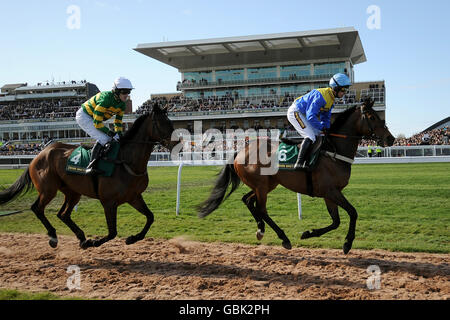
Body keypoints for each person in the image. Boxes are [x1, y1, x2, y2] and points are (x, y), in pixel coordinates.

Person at [287, 73, 352, 170]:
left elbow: (325, 117)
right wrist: (322, 128)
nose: (344, 93)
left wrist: (327, 129)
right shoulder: (321, 95)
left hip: (304, 114)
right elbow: (311, 116)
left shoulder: (331, 99)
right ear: (336, 88)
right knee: (310, 136)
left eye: (346, 90)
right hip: (295, 112)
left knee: (321, 135)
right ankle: (299, 163)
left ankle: (313, 161)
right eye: (343, 90)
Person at [75, 77, 133, 174]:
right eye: (124, 92)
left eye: (128, 92)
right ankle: (91, 166)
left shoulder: (122, 104)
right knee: (104, 139)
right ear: (116, 91)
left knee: (113, 139)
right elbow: (97, 123)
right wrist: (111, 133)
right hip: (84, 116)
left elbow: (118, 122)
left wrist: (119, 134)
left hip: (95, 118)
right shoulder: (106, 98)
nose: (126, 95)